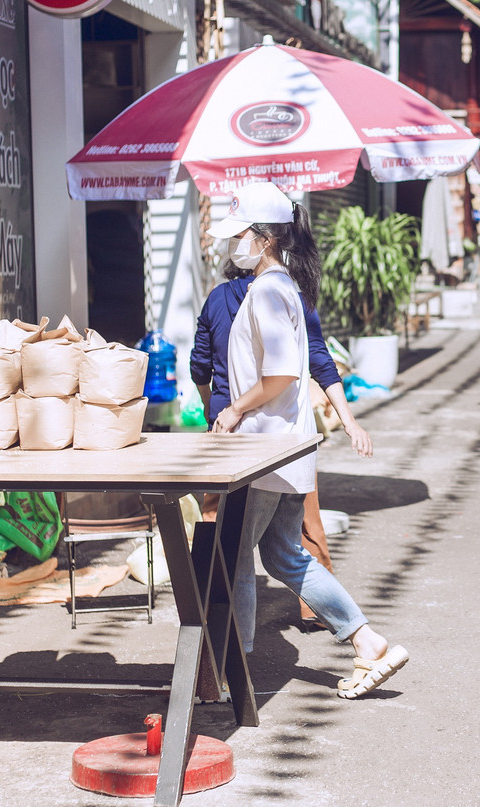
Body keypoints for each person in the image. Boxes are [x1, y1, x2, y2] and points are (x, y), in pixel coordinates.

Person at [207, 182, 407, 698]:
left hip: (263, 451)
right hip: (287, 450)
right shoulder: (283, 288)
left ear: (265, 238)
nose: (235, 245)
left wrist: (232, 409)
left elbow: (279, 377)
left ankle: (232, 671)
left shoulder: (268, 291)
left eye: (241, 234)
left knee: (231, 556)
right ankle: (367, 641)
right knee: (283, 555)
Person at [191, 261, 372, 633]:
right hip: (291, 436)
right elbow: (319, 361)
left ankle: (228, 663)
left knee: (228, 549)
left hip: (243, 440)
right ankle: (352, 631)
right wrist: (348, 419)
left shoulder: (240, 297)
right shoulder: (293, 295)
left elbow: (200, 367)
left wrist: (222, 411)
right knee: (296, 541)